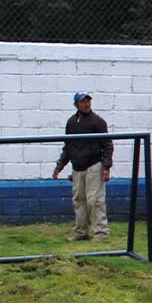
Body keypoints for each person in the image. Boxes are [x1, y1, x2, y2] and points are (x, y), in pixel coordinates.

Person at [52, 92, 113, 241]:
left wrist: (106, 167)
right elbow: (68, 147)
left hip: (94, 165)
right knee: (79, 201)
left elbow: (107, 145)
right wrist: (59, 166)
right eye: (83, 101)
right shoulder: (71, 123)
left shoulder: (98, 121)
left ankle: (101, 233)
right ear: (76, 104)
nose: (87, 104)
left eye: (88, 101)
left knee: (95, 200)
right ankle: (81, 232)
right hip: (77, 167)